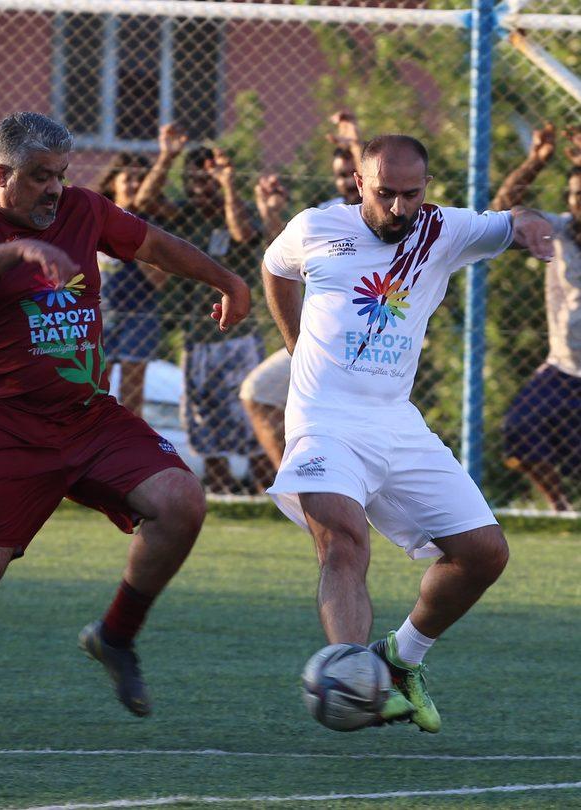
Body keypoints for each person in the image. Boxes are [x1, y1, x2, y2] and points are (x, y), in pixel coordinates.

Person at [0, 111, 250, 742]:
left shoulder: (82, 209)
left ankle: (114, 636)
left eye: (61, 175)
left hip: (88, 417)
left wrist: (228, 279)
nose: (55, 188)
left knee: (182, 501)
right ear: (2, 173)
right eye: (40, 177)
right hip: (8, 429)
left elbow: (152, 244)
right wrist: (16, 251)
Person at [262, 134, 554, 732]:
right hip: (323, 422)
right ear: (359, 185)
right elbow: (275, 268)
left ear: (426, 189)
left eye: (412, 195)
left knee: (484, 554)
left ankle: (398, 661)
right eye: (386, 194)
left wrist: (530, 226)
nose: (399, 209)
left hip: (398, 422)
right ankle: (349, 674)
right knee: (343, 543)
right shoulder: (317, 226)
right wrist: (295, 346)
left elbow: (513, 217)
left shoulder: (443, 229)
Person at [240, 110, 364, 471]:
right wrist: (272, 214)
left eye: (354, 173)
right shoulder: (328, 214)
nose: (347, 181)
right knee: (259, 392)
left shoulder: (387, 221)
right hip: (318, 341)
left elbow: (377, 186)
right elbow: (283, 259)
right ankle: (300, 486)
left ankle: (326, 490)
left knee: (353, 432)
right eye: (341, 175)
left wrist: (357, 142)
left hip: (362, 345)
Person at [171, 144, 278, 494]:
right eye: (194, 180)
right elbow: (143, 206)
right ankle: (222, 496)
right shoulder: (183, 215)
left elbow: (242, 235)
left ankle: (270, 496)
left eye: (209, 180)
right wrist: (166, 156)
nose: (202, 187)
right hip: (196, 337)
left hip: (237, 338)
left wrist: (228, 185)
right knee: (205, 429)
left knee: (250, 427)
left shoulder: (237, 210)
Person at [492, 123, 581, 512]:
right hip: (564, 368)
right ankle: (560, 506)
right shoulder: (559, 230)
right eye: (577, 195)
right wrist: (536, 162)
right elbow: (502, 207)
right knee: (520, 428)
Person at [95, 124, 187, 416]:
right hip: (101, 310)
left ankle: (128, 447)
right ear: (113, 182)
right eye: (128, 178)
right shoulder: (96, 218)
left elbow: (159, 281)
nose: (134, 184)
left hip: (140, 312)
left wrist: (133, 242)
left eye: (140, 178)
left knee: (133, 393)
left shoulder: (151, 226)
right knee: (94, 385)